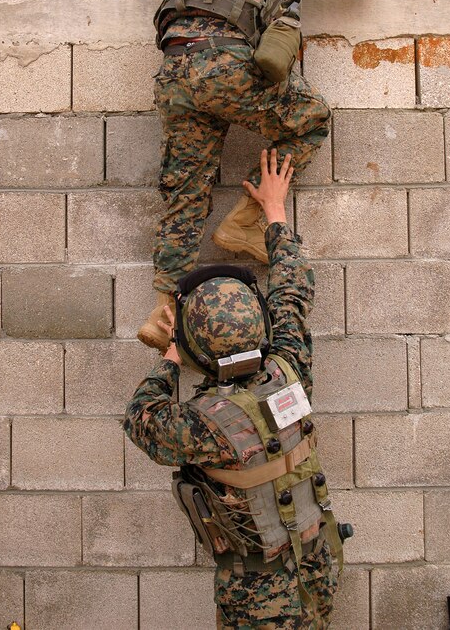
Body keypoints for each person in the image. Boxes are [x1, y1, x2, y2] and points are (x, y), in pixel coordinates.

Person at [136, 0, 381, 350]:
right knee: (311, 118)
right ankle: (248, 216)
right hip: (229, 66)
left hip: (175, 70)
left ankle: (162, 311)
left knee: (186, 188)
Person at [124, 148, 349, 629]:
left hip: (259, 599)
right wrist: (274, 211)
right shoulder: (289, 369)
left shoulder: (202, 423)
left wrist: (169, 360)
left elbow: (142, 419)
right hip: (318, 568)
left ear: (195, 348)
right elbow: (291, 291)